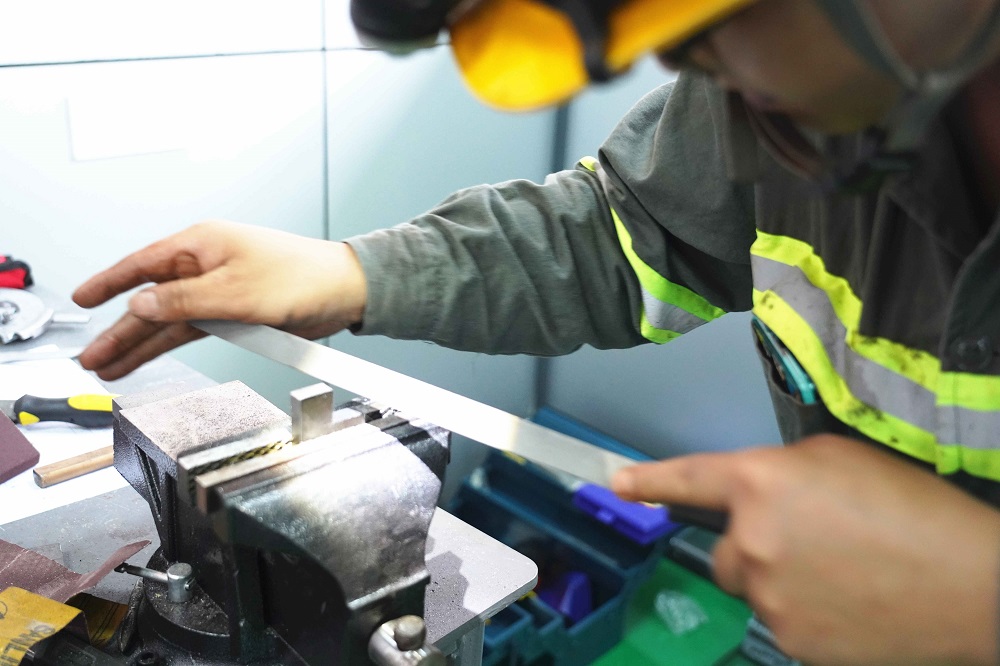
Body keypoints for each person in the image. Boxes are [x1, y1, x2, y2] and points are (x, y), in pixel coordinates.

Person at [73, 0, 1000, 663]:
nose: (696, 75)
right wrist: (354, 274)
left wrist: (977, 604)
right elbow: (627, 233)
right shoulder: (774, 92)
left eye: (713, 28)